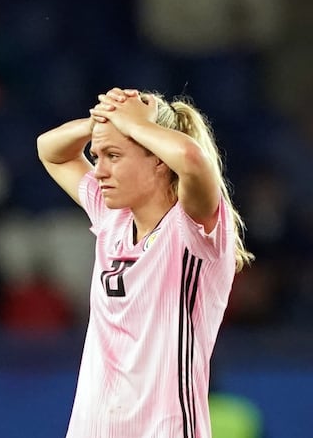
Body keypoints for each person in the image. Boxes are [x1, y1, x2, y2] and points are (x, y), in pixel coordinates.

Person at [36, 87, 254, 437]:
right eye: (97, 155)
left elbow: (193, 160)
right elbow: (50, 151)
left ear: (157, 158)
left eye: (113, 155)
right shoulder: (113, 218)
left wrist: (135, 124)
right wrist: (99, 121)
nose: (100, 170)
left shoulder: (192, 230)